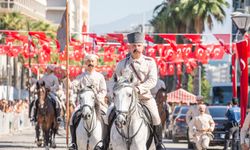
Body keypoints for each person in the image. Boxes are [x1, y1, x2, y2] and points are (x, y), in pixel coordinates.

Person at [104, 31, 164, 150]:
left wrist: (138, 89)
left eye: (138, 45)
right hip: (124, 99)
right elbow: (113, 81)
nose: (136, 48)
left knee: (156, 117)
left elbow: (152, 80)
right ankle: (104, 144)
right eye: (133, 46)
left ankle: (159, 144)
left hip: (144, 98)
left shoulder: (150, 62)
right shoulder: (122, 64)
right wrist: (113, 93)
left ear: (143, 46)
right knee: (107, 115)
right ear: (129, 47)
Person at [69, 54, 107, 150]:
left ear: (96, 63)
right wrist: (70, 82)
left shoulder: (100, 76)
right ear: (86, 63)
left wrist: (98, 98)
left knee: (107, 115)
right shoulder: (81, 76)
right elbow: (74, 85)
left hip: (97, 102)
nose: (90, 63)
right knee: (73, 116)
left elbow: (103, 90)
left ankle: (107, 141)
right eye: (88, 61)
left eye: (92, 61)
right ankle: (73, 142)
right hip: (84, 103)